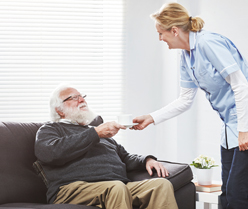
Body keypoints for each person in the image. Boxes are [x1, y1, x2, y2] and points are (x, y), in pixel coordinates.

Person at [132, 3, 248, 209]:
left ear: (174, 30)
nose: (160, 39)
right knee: (226, 194)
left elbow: (241, 85)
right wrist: (151, 117)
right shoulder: (185, 56)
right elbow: (185, 100)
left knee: (237, 192)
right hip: (230, 125)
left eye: (160, 33)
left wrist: (244, 130)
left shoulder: (208, 43)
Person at [34, 84, 178, 209]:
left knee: (160, 185)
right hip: (72, 189)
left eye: (81, 96)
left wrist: (147, 160)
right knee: (116, 188)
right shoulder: (51, 129)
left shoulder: (97, 131)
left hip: (114, 186)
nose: (82, 100)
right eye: (73, 97)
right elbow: (49, 153)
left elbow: (125, 157)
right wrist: (96, 133)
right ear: (59, 110)